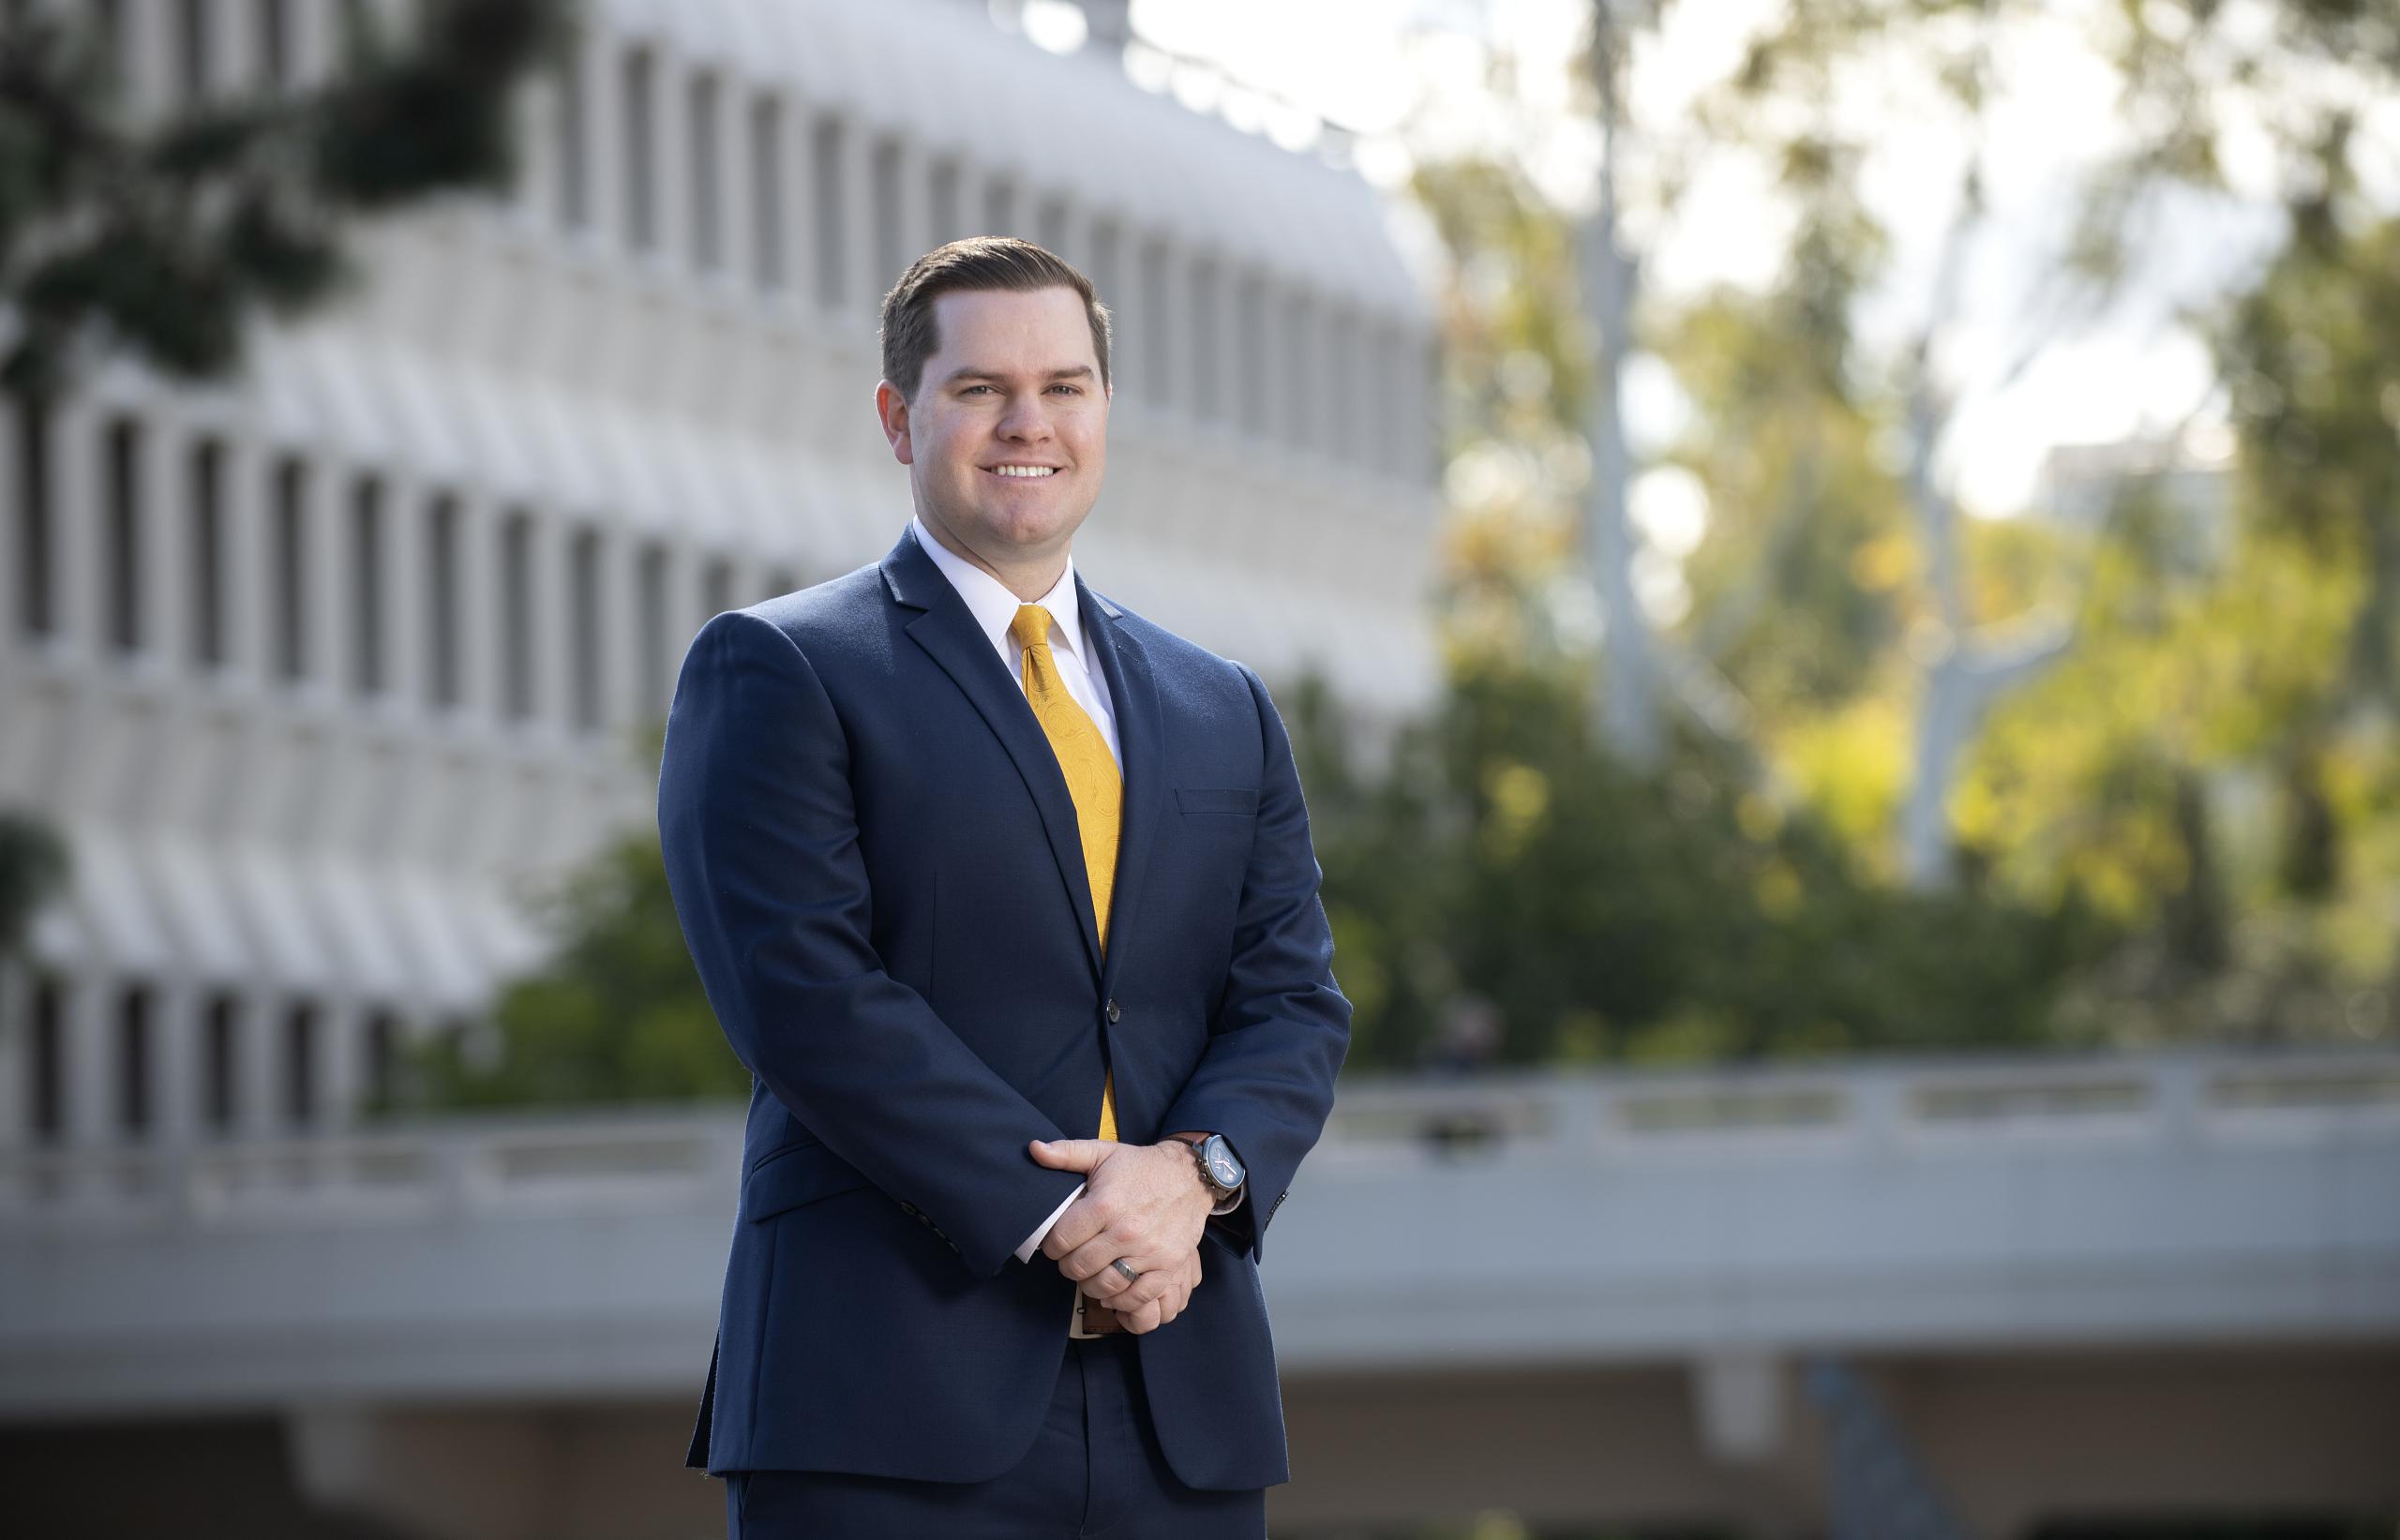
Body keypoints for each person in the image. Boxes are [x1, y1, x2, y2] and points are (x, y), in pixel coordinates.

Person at [656, 236, 1352, 1538]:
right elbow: (803, 994)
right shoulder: (779, 668)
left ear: (1105, 411)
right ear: (897, 416)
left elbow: (1293, 1002)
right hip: (880, 1402)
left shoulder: (1222, 708)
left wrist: (1193, 1178)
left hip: (1176, 1400)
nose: (1028, 422)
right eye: (981, 389)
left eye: (1066, 387)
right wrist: (1061, 1212)